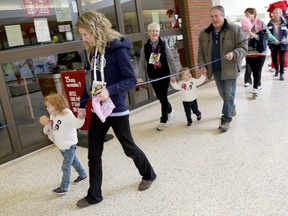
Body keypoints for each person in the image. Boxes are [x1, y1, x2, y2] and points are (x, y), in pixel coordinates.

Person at [76, 10, 157, 208]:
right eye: (81, 35)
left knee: (129, 148)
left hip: (116, 108)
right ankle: (94, 195)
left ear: (96, 29)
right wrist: (81, 104)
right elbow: (90, 80)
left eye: (85, 34)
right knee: (93, 153)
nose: (83, 38)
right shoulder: (91, 49)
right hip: (97, 110)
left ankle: (149, 174)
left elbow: (130, 80)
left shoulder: (117, 48)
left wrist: (109, 91)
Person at [197, 5, 247, 132]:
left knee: (229, 93)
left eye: (216, 16)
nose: (214, 19)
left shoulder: (235, 29)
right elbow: (201, 52)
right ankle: (232, 107)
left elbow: (243, 47)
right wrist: (202, 65)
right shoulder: (204, 33)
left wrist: (234, 54)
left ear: (223, 16)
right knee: (223, 93)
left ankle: (226, 119)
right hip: (215, 69)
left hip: (230, 68)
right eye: (211, 16)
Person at [43, 93, 87, 195]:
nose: (46, 108)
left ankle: (64, 187)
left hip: (69, 145)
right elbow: (54, 127)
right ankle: (83, 174)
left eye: (48, 106)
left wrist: (81, 117)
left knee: (65, 167)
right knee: (74, 161)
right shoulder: (53, 115)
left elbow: (77, 124)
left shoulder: (67, 114)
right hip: (61, 145)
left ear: (56, 106)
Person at [138, 22, 177, 131]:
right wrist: (140, 76)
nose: (155, 32)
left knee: (163, 97)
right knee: (160, 97)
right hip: (153, 75)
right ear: (149, 33)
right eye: (152, 31)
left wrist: (174, 74)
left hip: (164, 74)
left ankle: (164, 119)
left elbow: (171, 59)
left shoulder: (164, 45)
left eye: (157, 31)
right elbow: (141, 62)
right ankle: (169, 110)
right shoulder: (145, 47)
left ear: (159, 33)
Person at [242, 8, 277, 97]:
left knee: (258, 70)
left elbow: (266, 35)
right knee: (254, 71)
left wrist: (253, 35)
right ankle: (259, 85)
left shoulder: (261, 23)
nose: (246, 16)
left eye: (248, 14)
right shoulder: (243, 26)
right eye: (245, 15)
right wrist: (245, 34)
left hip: (260, 51)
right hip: (249, 52)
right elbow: (240, 38)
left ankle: (255, 87)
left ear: (253, 14)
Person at [267, 7, 288, 81]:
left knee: (282, 60)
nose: (276, 14)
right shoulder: (270, 23)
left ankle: (281, 74)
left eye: (277, 13)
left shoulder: (285, 23)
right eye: (274, 13)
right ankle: (277, 70)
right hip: (273, 43)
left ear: (280, 14)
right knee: (274, 58)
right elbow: (267, 34)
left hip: (283, 43)